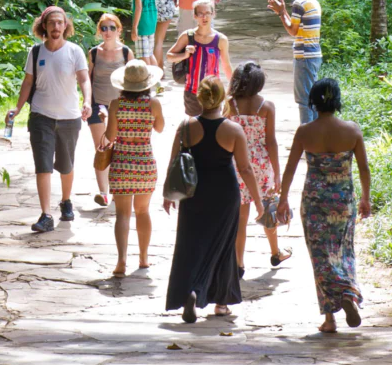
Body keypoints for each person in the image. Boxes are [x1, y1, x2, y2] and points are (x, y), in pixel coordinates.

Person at [165, 76, 264, 323]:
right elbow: (246, 169)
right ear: (223, 99)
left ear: (200, 98)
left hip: (193, 194)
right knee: (223, 245)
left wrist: (168, 195)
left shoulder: (186, 126)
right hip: (224, 195)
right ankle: (220, 303)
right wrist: (259, 202)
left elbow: (174, 162)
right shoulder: (233, 129)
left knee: (191, 245)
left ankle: (190, 290)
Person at [277, 78, 371, 334]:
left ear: (314, 102)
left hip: (315, 203)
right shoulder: (352, 130)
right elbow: (363, 167)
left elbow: (290, 168)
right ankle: (348, 294)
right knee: (344, 250)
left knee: (320, 257)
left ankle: (330, 319)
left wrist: (283, 199)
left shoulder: (305, 132)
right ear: (336, 100)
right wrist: (366, 198)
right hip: (343, 202)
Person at [9, 6, 92, 233]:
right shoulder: (36, 52)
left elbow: (84, 79)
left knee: (66, 165)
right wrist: (17, 108)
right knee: (42, 166)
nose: (56, 27)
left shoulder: (74, 51)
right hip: (40, 116)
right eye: (52, 23)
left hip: (69, 117)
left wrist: (87, 101)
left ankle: (66, 201)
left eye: (60, 22)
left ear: (66, 26)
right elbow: (28, 82)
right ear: (43, 26)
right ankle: (46, 215)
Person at [99, 60, 165, 277]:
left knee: (122, 215)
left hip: (121, 164)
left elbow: (110, 137)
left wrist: (108, 119)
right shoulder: (153, 104)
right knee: (143, 211)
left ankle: (121, 261)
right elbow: (160, 128)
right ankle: (144, 258)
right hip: (145, 163)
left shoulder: (116, 105)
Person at [226, 61, 291, 276]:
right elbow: (270, 142)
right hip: (261, 165)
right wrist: (278, 174)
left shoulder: (230, 105)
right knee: (267, 210)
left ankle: (238, 263)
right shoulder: (266, 107)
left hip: (237, 164)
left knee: (240, 218)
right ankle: (275, 252)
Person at [87, 13, 133, 207]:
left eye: (111, 28)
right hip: (98, 103)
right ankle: (103, 192)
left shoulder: (126, 52)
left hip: (120, 105)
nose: (107, 32)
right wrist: (86, 103)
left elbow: (135, 80)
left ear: (118, 30)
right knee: (101, 146)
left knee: (119, 148)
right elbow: (86, 79)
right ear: (99, 31)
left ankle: (117, 190)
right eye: (104, 28)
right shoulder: (94, 53)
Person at [267, 0, 322, 124]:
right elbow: (296, 25)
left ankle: (306, 140)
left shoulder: (299, 4)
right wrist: (283, 11)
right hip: (314, 55)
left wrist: (280, 13)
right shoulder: (312, 2)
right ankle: (316, 138)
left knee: (304, 101)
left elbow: (292, 31)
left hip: (304, 56)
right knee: (313, 99)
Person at [167, 0, 232, 117]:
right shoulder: (187, 36)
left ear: (213, 14)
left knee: (213, 127)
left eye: (207, 13)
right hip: (192, 92)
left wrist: (233, 89)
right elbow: (169, 56)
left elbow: (226, 65)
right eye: (200, 14)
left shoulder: (221, 39)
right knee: (194, 129)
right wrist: (184, 55)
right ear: (195, 16)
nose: (204, 17)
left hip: (213, 92)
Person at [128, 0, 158, 66]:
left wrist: (134, 27)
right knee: (150, 54)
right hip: (151, 24)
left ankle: (149, 81)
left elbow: (138, 7)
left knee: (143, 56)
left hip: (142, 25)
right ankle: (157, 79)